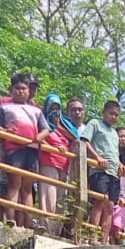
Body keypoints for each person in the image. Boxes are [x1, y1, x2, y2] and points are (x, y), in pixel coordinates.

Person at [0, 71, 46, 225]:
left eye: (24, 88)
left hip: (32, 149)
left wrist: (39, 138)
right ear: (11, 90)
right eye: (17, 88)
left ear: (29, 91)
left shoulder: (36, 110)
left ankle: (29, 223)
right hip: (14, 149)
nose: (21, 91)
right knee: (14, 184)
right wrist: (6, 132)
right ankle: (10, 219)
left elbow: (45, 128)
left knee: (28, 188)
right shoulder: (4, 106)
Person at [79, 98, 122, 244]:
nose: (114, 117)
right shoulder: (95, 123)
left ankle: (104, 239)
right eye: (111, 114)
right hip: (99, 170)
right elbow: (84, 141)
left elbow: (114, 152)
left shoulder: (115, 133)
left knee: (110, 206)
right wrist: (97, 158)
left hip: (113, 172)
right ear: (103, 112)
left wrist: (121, 165)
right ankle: (93, 236)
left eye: (116, 115)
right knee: (99, 201)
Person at [36, 92, 73, 221]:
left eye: (57, 108)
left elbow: (76, 138)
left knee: (61, 201)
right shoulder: (41, 121)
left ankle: (56, 230)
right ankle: (46, 228)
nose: (55, 111)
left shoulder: (65, 124)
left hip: (64, 166)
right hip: (48, 162)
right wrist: (54, 148)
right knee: (48, 196)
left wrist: (58, 126)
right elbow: (38, 137)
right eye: (52, 108)